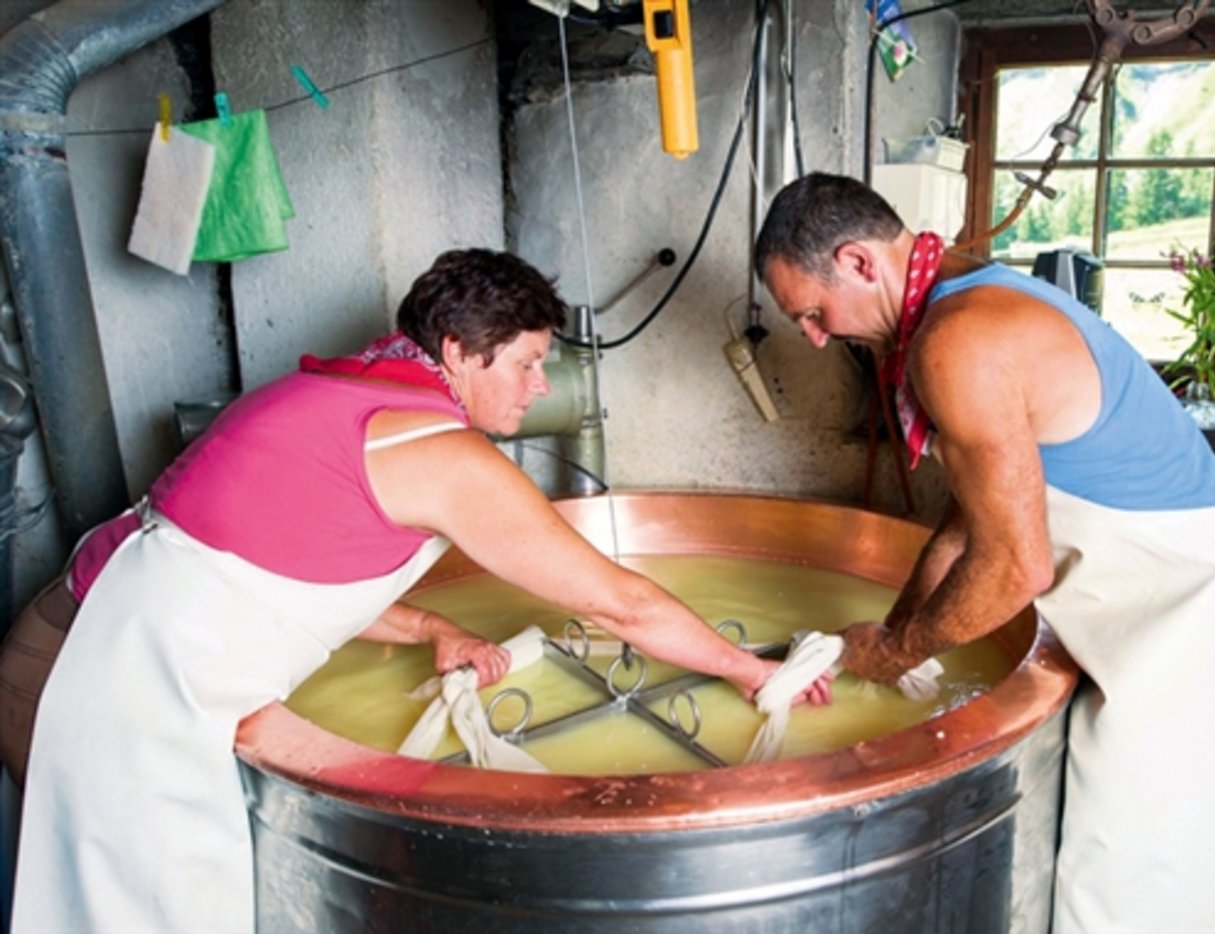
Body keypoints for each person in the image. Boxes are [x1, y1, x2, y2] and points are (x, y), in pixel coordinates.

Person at [7, 248, 829, 934]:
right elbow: (622, 603)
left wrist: (433, 624)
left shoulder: (344, 392)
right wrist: (748, 668)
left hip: (84, 631)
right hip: (132, 689)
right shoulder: (442, 454)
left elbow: (278, 571)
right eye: (528, 362)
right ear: (461, 352)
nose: (541, 386)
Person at [755, 173, 1215, 932]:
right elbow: (967, 524)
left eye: (811, 311)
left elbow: (1014, 567)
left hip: (1191, 608)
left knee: (1141, 889)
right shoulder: (959, 298)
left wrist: (899, 653)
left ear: (860, 263)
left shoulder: (956, 340)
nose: (813, 334)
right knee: (1102, 869)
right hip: (1138, 604)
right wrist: (881, 641)